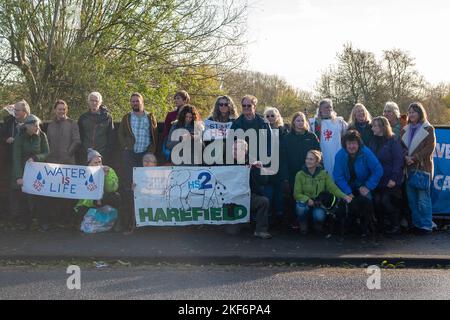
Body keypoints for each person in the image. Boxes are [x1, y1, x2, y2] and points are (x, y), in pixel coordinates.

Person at [118, 92, 158, 232]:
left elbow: (154, 135)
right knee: (131, 187)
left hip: (145, 156)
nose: (135, 103)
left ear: (142, 101)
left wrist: (151, 151)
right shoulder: (126, 118)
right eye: (132, 101)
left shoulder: (150, 117)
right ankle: (129, 222)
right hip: (130, 155)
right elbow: (120, 134)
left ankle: (146, 221)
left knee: (146, 187)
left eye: (137, 101)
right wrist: (126, 146)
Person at [333, 130, 383, 237]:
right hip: (346, 185)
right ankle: (346, 228)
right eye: (349, 143)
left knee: (367, 201)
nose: (352, 146)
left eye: (354, 143)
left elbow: (378, 170)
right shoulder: (339, 155)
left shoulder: (366, 153)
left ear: (358, 143)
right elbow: (338, 177)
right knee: (343, 203)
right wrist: (347, 192)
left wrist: (367, 186)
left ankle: (368, 227)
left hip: (363, 184)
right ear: (345, 144)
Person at [294, 150, 352, 235]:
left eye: (311, 159)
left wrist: (345, 196)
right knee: (300, 206)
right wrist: (307, 199)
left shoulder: (324, 174)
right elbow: (296, 194)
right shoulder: (300, 174)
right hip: (306, 202)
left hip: (319, 202)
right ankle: (303, 223)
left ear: (317, 162)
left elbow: (333, 189)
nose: (308, 161)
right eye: (307, 159)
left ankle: (317, 224)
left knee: (319, 217)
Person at [401, 102, 436, 235]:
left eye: (414, 112)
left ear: (420, 113)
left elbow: (429, 148)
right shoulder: (405, 129)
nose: (411, 114)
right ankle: (417, 224)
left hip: (422, 168)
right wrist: (405, 157)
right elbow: (402, 147)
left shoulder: (429, 128)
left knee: (423, 200)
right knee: (412, 200)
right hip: (408, 169)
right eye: (409, 112)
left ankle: (426, 225)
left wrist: (413, 158)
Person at [281, 112, 321, 228]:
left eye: (302, 120)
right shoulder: (287, 138)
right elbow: (284, 158)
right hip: (293, 174)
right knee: (296, 198)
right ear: (293, 122)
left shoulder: (311, 136)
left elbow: (318, 154)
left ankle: (313, 221)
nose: (300, 123)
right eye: (297, 120)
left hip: (310, 173)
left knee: (311, 197)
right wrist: (286, 177)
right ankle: (298, 221)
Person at [46, 100, 81, 227]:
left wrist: (67, 154)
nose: (61, 111)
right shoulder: (50, 125)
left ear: (66, 110)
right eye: (59, 109)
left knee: (67, 192)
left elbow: (77, 141)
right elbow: (47, 143)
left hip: (68, 163)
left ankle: (67, 219)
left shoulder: (72, 124)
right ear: (55, 110)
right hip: (53, 163)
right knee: (54, 192)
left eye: (64, 109)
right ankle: (56, 219)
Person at [227, 139, 272, 239]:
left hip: (248, 195)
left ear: (245, 151)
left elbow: (264, 181)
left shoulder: (253, 162)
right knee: (232, 232)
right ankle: (240, 222)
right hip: (231, 197)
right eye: (233, 149)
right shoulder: (225, 162)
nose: (235, 151)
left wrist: (260, 169)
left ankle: (261, 230)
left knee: (264, 201)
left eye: (238, 149)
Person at [12, 114, 50, 231]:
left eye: (38, 125)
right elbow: (16, 157)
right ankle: (25, 222)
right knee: (23, 198)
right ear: (27, 126)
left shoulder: (42, 136)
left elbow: (47, 152)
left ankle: (42, 222)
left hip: (37, 170)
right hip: (23, 170)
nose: (37, 128)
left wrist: (36, 157)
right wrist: (19, 176)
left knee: (40, 197)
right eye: (34, 126)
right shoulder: (20, 137)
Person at [369, 116, 405, 235]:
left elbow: (398, 160)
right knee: (377, 201)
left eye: (375, 125)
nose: (372, 127)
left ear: (382, 127)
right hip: (377, 179)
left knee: (386, 201)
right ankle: (381, 225)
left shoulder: (393, 140)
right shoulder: (372, 141)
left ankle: (395, 226)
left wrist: (394, 178)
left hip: (390, 179)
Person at [73, 148, 121, 230]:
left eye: (100, 162)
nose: (99, 165)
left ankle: (116, 223)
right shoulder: (83, 172)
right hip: (89, 201)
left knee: (116, 197)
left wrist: (106, 177)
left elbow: (112, 188)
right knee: (80, 212)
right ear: (89, 163)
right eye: (95, 163)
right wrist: (94, 200)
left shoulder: (108, 170)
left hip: (103, 198)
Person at [2, 100, 30, 220]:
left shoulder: (31, 122)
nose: (15, 112)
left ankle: (27, 215)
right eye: (14, 110)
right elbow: (1, 134)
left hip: (26, 161)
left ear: (25, 112)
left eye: (18, 110)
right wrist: (6, 139)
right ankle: (14, 215)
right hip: (11, 159)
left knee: (25, 187)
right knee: (12, 188)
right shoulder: (9, 122)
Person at [262, 107, 289, 222]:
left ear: (277, 117)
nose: (270, 118)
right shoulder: (261, 131)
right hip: (266, 168)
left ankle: (279, 220)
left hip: (280, 168)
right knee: (268, 195)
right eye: (267, 116)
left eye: (272, 115)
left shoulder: (284, 131)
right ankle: (267, 220)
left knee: (279, 197)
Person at [309, 99, 347, 175]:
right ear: (320, 109)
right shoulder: (314, 123)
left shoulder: (339, 122)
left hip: (337, 154)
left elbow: (348, 134)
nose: (329, 109)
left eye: (330, 107)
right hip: (322, 156)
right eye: (326, 107)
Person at [230, 95, 272, 162]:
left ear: (254, 107)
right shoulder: (235, 124)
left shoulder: (264, 123)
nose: (246, 107)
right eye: (244, 105)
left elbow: (270, 143)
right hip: (242, 163)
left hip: (260, 163)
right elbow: (230, 144)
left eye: (249, 105)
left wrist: (265, 161)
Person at [78, 92, 114, 165]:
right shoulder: (83, 118)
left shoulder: (107, 118)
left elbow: (111, 136)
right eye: (91, 100)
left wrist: (108, 152)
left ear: (100, 102)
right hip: (86, 154)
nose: (94, 103)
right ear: (88, 102)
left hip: (102, 154)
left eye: (96, 101)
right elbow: (80, 136)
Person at [162, 90, 190, 161]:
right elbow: (166, 131)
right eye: (175, 98)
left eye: (178, 98)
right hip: (173, 145)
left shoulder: (192, 114)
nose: (176, 100)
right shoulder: (171, 114)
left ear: (185, 100)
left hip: (188, 146)